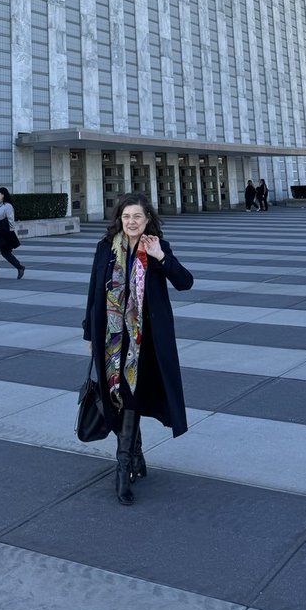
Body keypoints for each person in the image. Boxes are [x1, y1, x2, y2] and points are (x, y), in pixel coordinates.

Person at [82, 192, 193, 505]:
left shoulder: (155, 248)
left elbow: (186, 282)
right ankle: (137, 457)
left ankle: (123, 470)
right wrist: (89, 332)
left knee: (130, 400)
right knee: (120, 399)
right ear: (120, 218)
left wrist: (161, 257)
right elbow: (93, 292)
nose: (131, 222)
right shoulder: (105, 248)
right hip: (112, 340)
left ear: (147, 221)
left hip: (146, 344)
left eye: (138, 217)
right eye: (127, 216)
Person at [0, 187, 25, 281]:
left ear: (3, 195)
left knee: (5, 253)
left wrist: (10, 234)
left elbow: (11, 221)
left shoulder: (8, 206)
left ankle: (20, 267)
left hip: (3, 233)